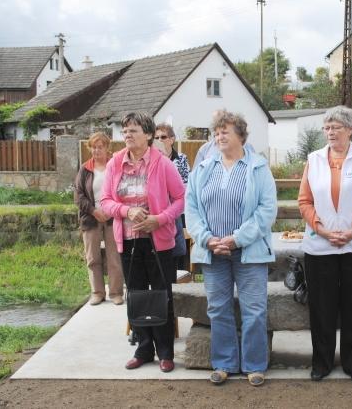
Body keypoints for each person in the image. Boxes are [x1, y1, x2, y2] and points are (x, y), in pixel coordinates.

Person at [185, 110, 277, 387]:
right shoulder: (203, 168)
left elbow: (267, 211)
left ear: (241, 135)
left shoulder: (258, 167)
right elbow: (191, 209)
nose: (219, 136)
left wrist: (236, 239)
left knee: (254, 310)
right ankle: (224, 363)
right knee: (218, 309)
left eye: (225, 131)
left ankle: (254, 365)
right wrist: (207, 239)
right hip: (213, 252)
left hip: (249, 253)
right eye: (216, 133)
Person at [298, 105, 352, 383]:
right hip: (320, 245)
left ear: (350, 129)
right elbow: (304, 201)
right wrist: (321, 230)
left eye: (336, 127)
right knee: (321, 307)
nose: (330, 132)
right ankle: (321, 363)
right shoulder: (314, 159)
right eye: (327, 127)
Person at [101, 112, 185, 373]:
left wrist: (159, 219)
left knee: (162, 295)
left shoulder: (163, 164)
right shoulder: (115, 163)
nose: (127, 135)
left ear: (148, 135)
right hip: (128, 241)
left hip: (159, 242)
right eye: (125, 131)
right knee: (136, 295)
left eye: (133, 130)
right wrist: (127, 211)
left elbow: (181, 199)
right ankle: (143, 349)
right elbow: (105, 201)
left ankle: (166, 353)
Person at [74, 132, 124, 306]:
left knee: (114, 257)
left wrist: (112, 210)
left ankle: (116, 293)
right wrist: (94, 211)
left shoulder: (115, 166)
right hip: (91, 218)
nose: (96, 150)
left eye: (100, 147)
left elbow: (122, 190)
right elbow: (78, 196)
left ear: (107, 147)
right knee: (92, 258)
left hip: (112, 217)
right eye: (93, 147)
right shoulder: (85, 169)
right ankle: (97, 293)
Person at [156, 123, 189, 269]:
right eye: (156, 137)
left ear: (171, 139)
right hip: (157, 211)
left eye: (163, 137)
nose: (160, 140)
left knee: (178, 250)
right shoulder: (151, 159)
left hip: (176, 211)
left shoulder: (181, 159)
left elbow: (185, 186)